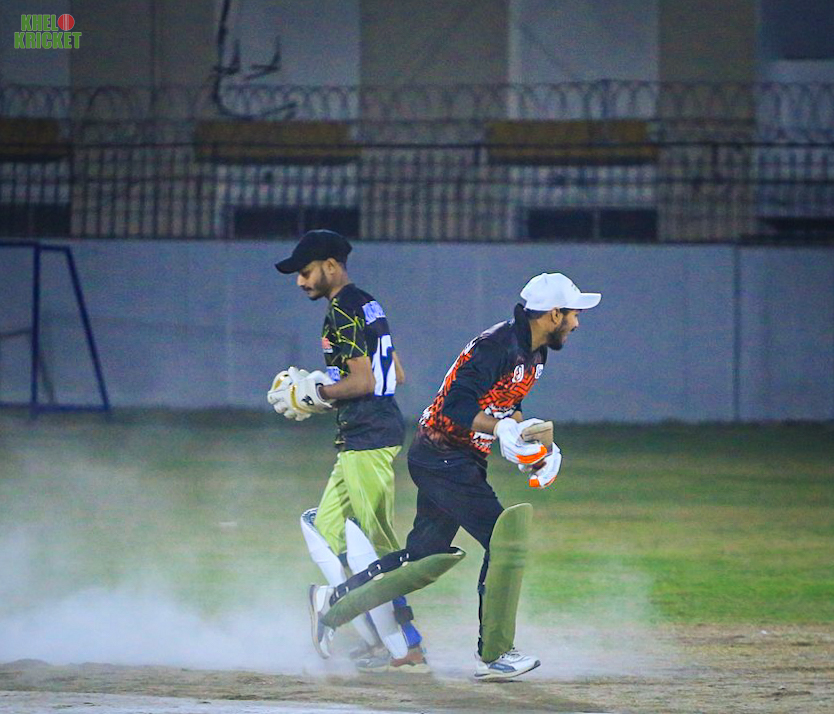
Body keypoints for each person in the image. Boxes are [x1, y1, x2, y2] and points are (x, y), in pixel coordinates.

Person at [307, 272, 601, 681]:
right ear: (553, 314)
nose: (577, 322)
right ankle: (495, 654)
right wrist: (501, 429)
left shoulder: (534, 353)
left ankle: (333, 603)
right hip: (442, 456)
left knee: (424, 559)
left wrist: (532, 449)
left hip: (458, 459)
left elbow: (506, 406)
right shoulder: (497, 345)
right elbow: (456, 407)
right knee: (504, 539)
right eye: (573, 314)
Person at [268, 229, 427, 673]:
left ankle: (405, 644)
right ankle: (376, 636)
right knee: (325, 531)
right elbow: (395, 372)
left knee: (376, 545)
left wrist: (317, 394)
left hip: (368, 436)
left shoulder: (341, 311)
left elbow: (367, 381)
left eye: (306, 272)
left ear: (331, 266)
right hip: (363, 435)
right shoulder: (367, 303)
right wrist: (327, 386)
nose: (300, 281)